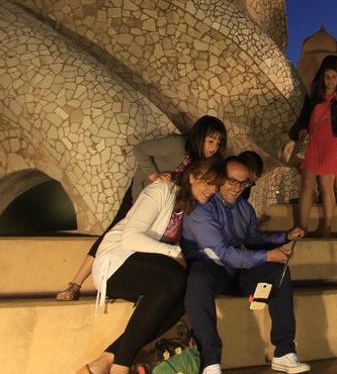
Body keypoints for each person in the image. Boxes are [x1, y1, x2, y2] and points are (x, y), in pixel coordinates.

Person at [78, 158, 225, 374]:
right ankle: (121, 366)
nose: (212, 190)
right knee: (175, 275)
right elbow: (130, 238)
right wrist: (174, 252)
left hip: (152, 273)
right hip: (116, 264)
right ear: (192, 177)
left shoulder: (191, 207)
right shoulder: (161, 191)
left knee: (189, 292)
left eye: (216, 185)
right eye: (208, 183)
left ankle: (106, 359)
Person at [56, 116, 227, 301]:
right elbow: (140, 149)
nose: (214, 147)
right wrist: (153, 175)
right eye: (211, 141)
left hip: (167, 205)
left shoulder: (203, 162)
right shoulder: (178, 144)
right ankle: (76, 283)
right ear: (200, 136)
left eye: (218, 143)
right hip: (145, 194)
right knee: (113, 233)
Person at [183, 156, 310, 374]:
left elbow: (253, 240)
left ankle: (284, 352)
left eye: (243, 183)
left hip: (239, 271)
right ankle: (210, 361)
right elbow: (223, 252)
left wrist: (284, 236)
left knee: (277, 271)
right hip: (212, 269)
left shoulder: (245, 209)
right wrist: (267, 255)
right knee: (198, 278)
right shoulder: (202, 207)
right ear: (221, 179)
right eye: (233, 181)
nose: (238, 188)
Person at [284, 59, 337, 238]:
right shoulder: (313, 98)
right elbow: (302, 120)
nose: (330, 80)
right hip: (312, 144)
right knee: (306, 185)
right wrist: (300, 131)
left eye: (333, 77)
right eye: (327, 77)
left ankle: (327, 228)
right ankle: (301, 227)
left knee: (326, 187)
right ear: (322, 78)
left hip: (332, 145)